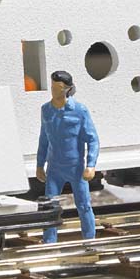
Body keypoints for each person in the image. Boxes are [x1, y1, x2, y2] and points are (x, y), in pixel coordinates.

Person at [36, 71, 99, 243]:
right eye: (52, 86)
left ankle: (90, 241)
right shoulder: (46, 110)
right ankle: (49, 243)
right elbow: (43, 139)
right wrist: (40, 164)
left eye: (57, 87)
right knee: (49, 207)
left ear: (67, 89)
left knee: (84, 205)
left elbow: (92, 139)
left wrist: (91, 165)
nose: (53, 90)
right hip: (54, 168)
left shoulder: (80, 110)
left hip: (76, 168)